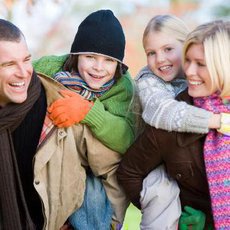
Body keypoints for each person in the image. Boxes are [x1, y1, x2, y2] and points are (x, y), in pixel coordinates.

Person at [0, 18, 128, 230]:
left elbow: (114, 160)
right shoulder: (51, 70)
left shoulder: (61, 103)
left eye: (26, 60)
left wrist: (111, 224)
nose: (24, 72)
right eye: (9, 64)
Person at [117, 20, 230, 230]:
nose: (189, 71)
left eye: (200, 64)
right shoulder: (170, 116)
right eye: (188, 61)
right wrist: (173, 216)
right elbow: (129, 172)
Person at [33, 9, 138, 229]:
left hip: (98, 170)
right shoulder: (50, 67)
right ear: (76, 55)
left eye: (109, 60)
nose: (99, 68)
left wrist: (88, 112)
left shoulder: (123, 87)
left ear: (118, 64)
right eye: (90, 57)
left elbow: (127, 137)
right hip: (58, 157)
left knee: (92, 191)